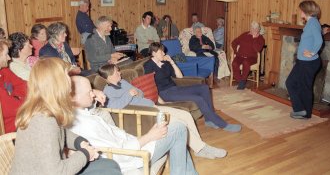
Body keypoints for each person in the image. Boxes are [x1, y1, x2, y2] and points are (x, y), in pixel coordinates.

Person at [10, 58, 122, 175]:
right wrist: (85, 153)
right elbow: (56, 172)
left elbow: (60, 132)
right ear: (58, 82)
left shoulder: (43, 107)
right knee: (109, 170)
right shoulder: (43, 121)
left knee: (110, 165)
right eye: (66, 75)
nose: (70, 79)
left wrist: (79, 142)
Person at [70, 76, 198, 175]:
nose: (93, 94)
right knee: (178, 129)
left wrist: (95, 92)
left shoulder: (79, 113)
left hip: (133, 145)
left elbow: (88, 107)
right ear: (73, 98)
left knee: (177, 131)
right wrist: (149, 136)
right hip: (131, 158)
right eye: (89, 92)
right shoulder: (84, 125)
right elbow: (119, 152)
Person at [98, 63, 227, 159]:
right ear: (109, 76)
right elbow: (114, 107)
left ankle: (199, 147)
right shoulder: (107, 91)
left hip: (153, 106)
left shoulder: (123, 82)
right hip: (144, 113)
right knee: (178, 121)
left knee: (185, 114)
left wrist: (136, 92)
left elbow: (141, 93)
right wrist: (129, 95)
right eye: (116, 72)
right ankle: (201, 149)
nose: (119, 73)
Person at [144, 42, 241, 132]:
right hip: (165, 93)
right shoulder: (148, 66)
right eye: (161, 52)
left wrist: (171, 62)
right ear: (154, 53)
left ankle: (209, 120)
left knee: (204, 88)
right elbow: (150, 85)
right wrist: (161, 101)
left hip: (175, 89)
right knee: (198, 99)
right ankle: (223, 124)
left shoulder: (165, 63)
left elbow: (179, 76)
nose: (164, 53)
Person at [285, 0, 323, 119]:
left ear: (306, 11)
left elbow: (319, 41)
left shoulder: (313, 23)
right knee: (292, 83)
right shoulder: (311, 22)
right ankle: (301, 110)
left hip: (309, 62)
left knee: (304, 87)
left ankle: (305, 113)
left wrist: (312, 52)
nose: (300, 12)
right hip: (303, 62)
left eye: (301, 9)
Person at [0, 39, 27, 133]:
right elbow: (11, 109)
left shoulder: (4, 71)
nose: (9, 58)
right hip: (10, 132)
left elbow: (23, 85)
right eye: (6, 54)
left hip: (21, 119)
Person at [231, 21, 265, 90]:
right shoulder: (244, 34)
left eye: (256, 28)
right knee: (234, 64)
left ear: (259, 29)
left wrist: (255, 38)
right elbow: (234, 42)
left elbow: (257, 49)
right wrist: (235, 51)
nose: (254, 30)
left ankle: (242, 81)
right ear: (250, 28)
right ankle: (241, 81)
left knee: (246, 63)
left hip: (251, 57)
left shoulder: (261, 38)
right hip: (240, 56)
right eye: (252, 28)